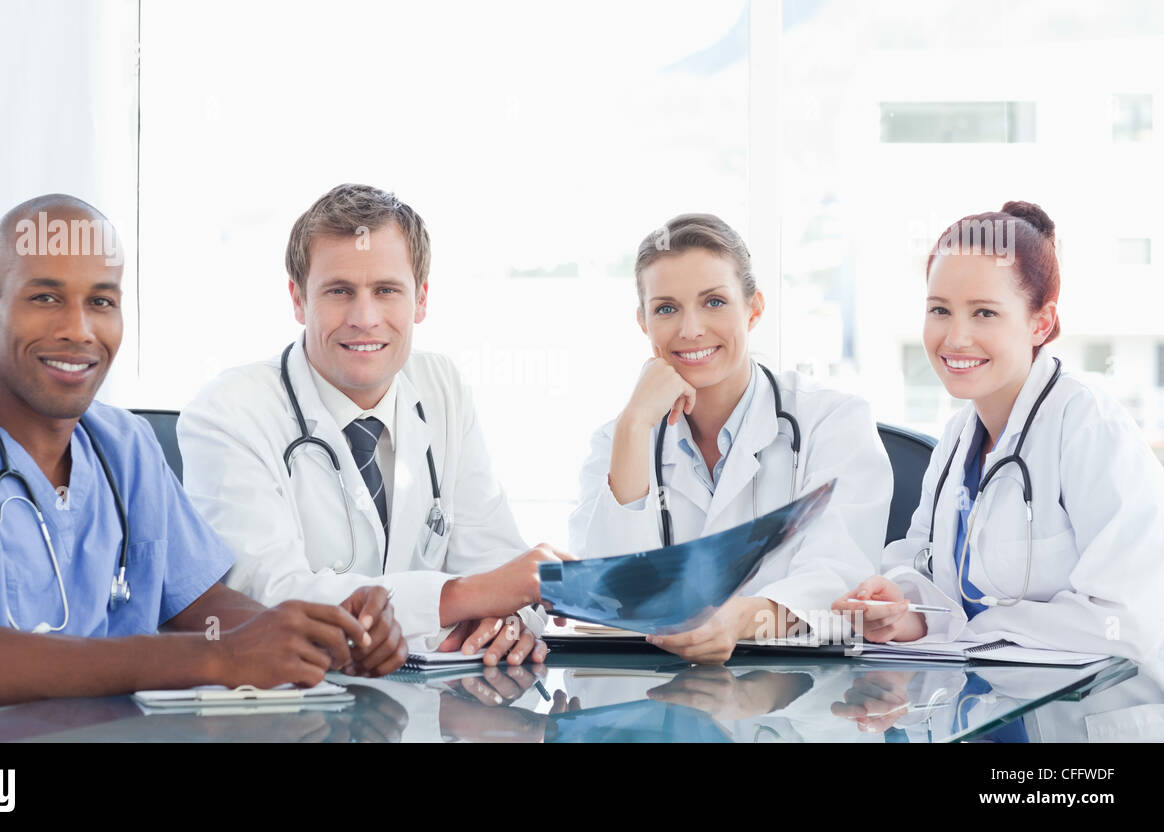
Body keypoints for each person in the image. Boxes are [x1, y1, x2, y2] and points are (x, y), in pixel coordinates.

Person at [0, 194, 406, 721]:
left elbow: (203, 608)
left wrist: (323, 636)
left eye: (101, 301)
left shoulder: (125, 445)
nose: (77, 329)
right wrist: (218, 659)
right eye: (45, 298)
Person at [178, 183, 566, 666]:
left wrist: (507, 622)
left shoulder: (442, 386)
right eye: (339, 292)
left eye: (386, 291)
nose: (365, 318)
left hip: (435, 714)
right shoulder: (228, 412)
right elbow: (271, 600)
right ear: (298, 300)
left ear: (420, 299)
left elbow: (500, 568)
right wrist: (468, 597)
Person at [833, 201, 1164, 666]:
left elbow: (1127, 620)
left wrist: (968, 632)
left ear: (1040, 323)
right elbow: (922, 569)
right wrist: (901, 611)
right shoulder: (957, 438)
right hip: (989, 714)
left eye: (984, 313)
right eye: (940, 310)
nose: (956, 338)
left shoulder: (1088, 425)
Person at [568, 213, 893, 663]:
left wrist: (741, 619)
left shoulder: (832, 421)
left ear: (754, 309)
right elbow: (601, 598)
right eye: (666, 308)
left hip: (794, 705)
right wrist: (634, 425)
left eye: (714, 302)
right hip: (657, 706)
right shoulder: (620, 438)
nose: (691, 329)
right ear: (643, 322)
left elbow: (839, 578)